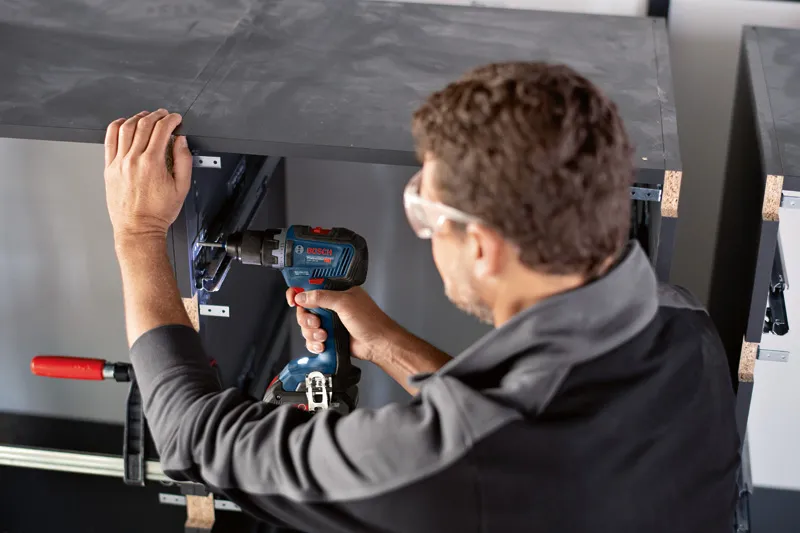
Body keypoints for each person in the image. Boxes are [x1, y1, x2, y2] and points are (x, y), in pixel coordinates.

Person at [103, 61, 739, 533]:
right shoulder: (683, 323)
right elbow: (506, 419)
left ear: (484, 246)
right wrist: (382, 342)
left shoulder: (442, 464)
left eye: (427, 213)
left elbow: (193, 437)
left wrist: (139, 232)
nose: (426, 231)